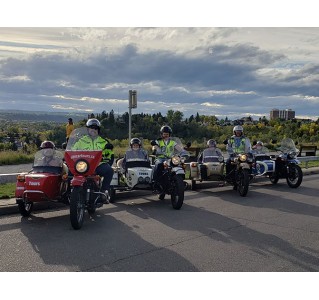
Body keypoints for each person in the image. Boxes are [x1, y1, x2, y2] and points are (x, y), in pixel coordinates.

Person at [72, 118, 114, 203]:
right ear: (88, 129)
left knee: (109, 170)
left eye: (95, 128)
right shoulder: (81, 140)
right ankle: (69, 192)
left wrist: (108, 153)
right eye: (91, 128)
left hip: (97, 165)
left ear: (98, 130)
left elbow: (110, 155)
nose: (93, 130)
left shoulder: (104, 142)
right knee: (69, 172)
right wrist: (69, 154)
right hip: (83, 165)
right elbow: (73, 151)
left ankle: (103, 191)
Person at [151, 125, 186, 191]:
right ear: (162, 134)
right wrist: (154, 148)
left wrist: (183, 151)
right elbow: (154, 146)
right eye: (164, 134)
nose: (166, 135)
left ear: (169, 134)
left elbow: (179, 148)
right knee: (158, 165)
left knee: (179, 164)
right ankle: (155, 182)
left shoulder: (172, 142)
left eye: (167, 134)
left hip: (170, 158)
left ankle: (179, 181)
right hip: (160, 158)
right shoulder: (159, 141)